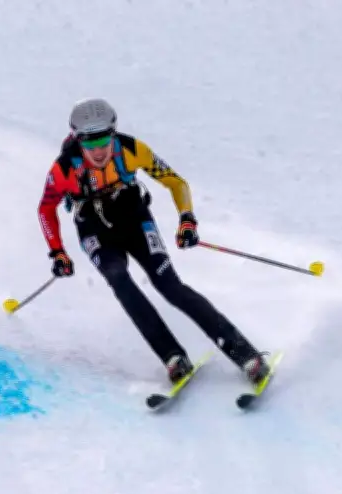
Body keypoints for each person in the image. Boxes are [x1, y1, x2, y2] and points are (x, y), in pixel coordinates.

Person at [36, 98, 270, 385]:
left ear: (113, 133)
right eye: (89, 144)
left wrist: (187, 219)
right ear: (77, 140)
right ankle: (172, 357)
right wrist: (57, 253)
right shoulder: (63, 170)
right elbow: (45, 209)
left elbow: (175, 182)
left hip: (134, 219)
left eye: (103, 141)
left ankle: (245, 354)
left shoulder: (132, 149)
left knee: (170, 286)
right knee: (119, 279)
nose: (98, 151)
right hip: (95, 230)